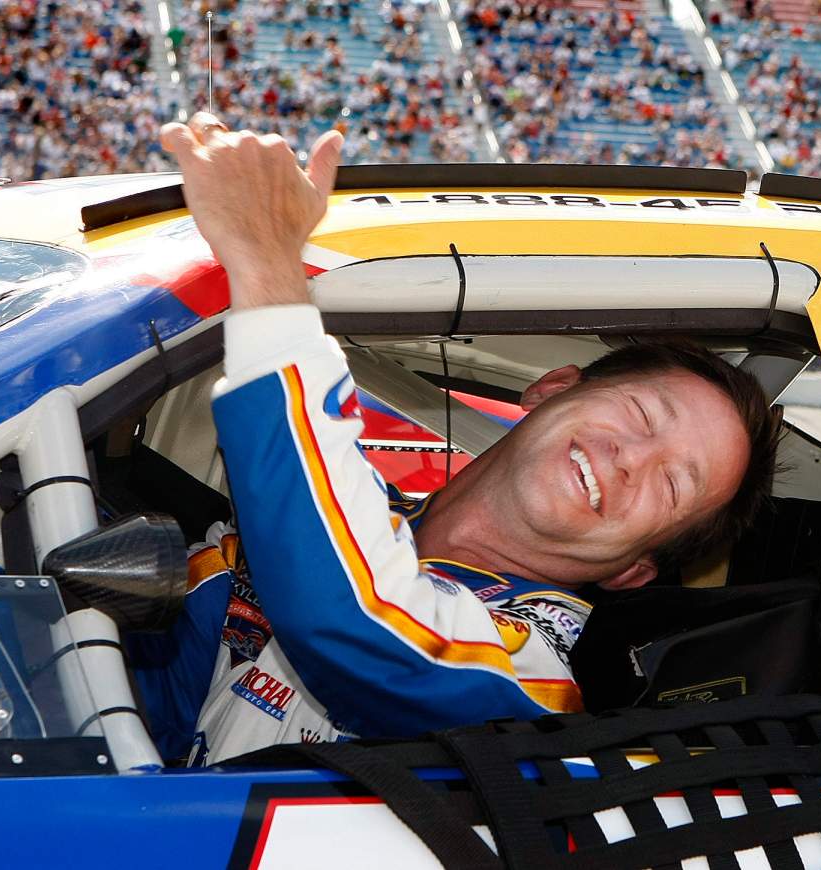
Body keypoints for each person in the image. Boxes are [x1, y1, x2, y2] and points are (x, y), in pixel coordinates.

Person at [130, 113, 782, 765]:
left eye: (671, 484)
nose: (633, 459)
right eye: (640, 413)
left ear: (631, 570)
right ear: (552, 389)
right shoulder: (307, 526)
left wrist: (269, 264)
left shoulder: (536, 676)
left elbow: (361, 625)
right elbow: (142, 692)